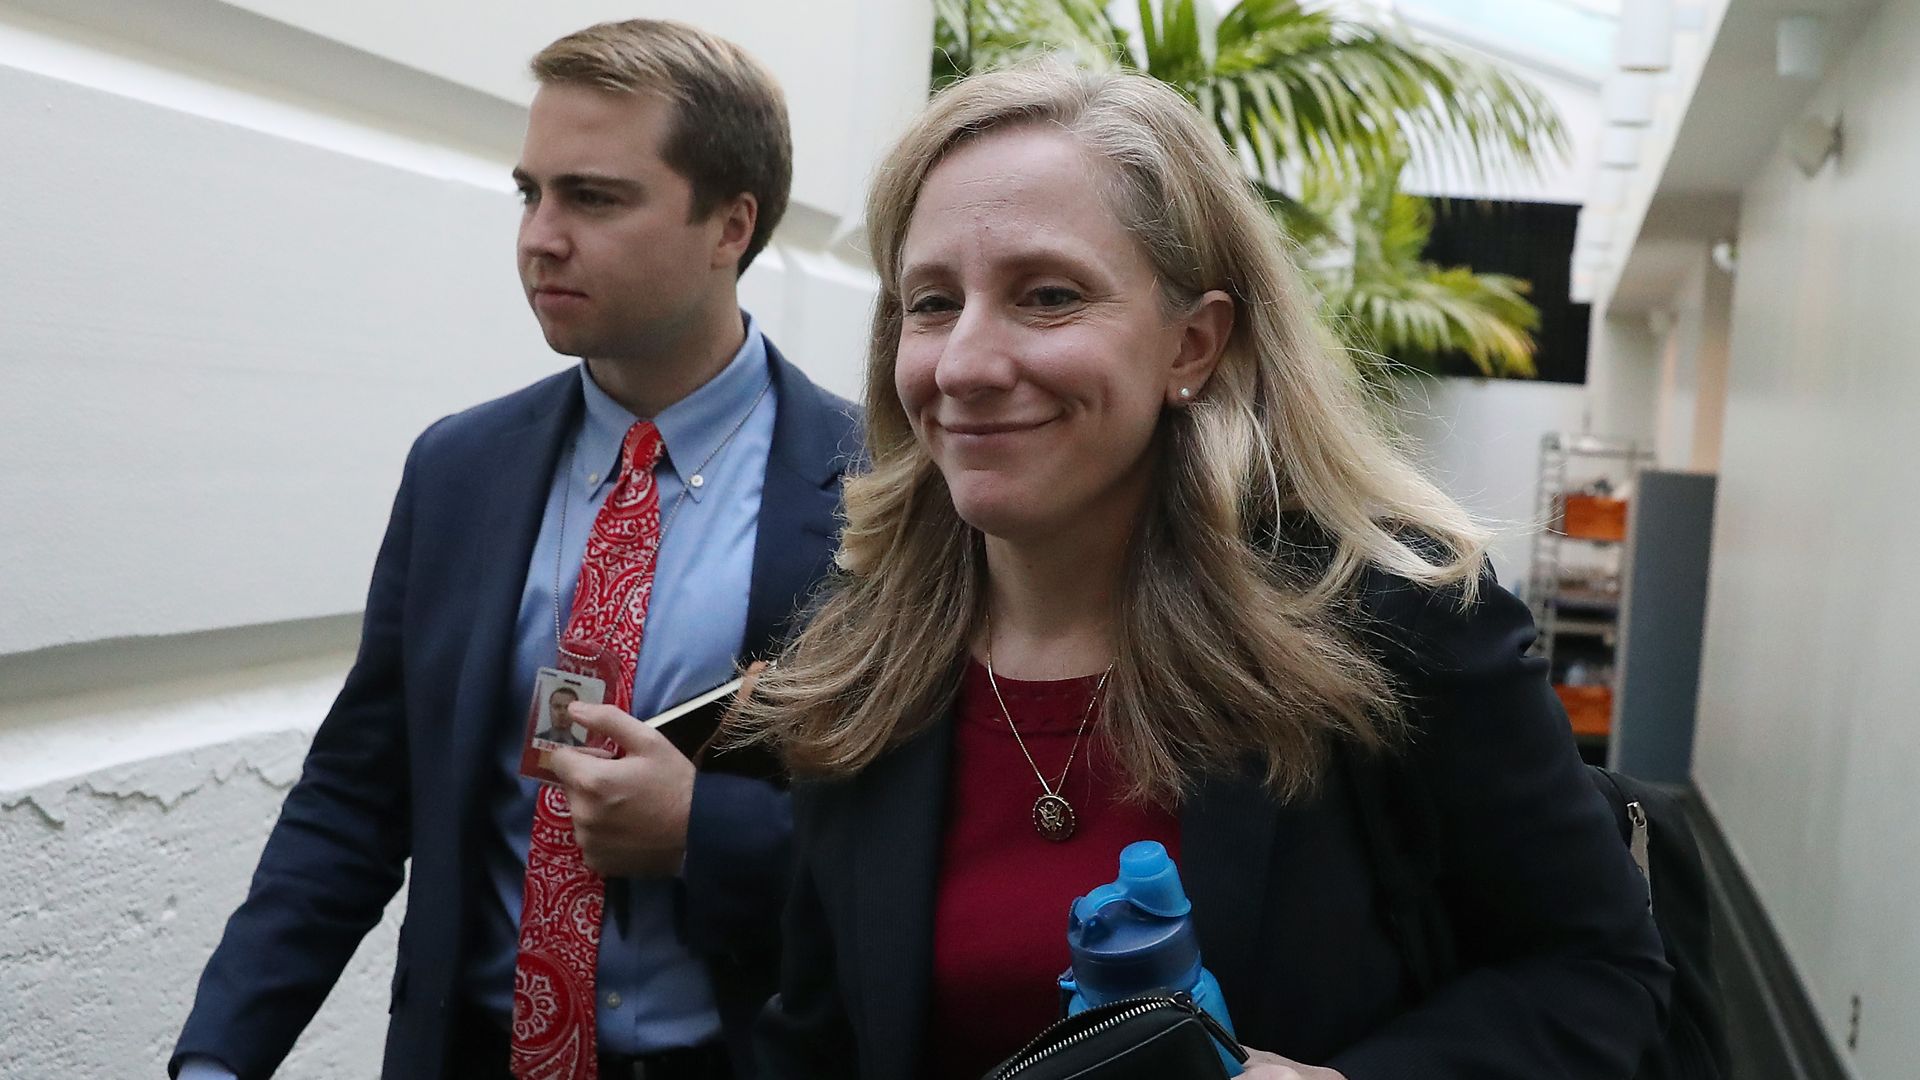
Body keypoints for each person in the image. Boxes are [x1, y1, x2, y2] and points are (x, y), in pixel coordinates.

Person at [743, 63, 1671, 1080]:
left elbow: (1599, 973)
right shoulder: (862, 654)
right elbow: (817, 1035)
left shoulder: (1392, 623)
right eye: (931, 302)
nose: (963, 363)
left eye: (1046, 296)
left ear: (1193, 343)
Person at [172, 19, 858, 1080]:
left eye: (593, 198)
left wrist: (700, 831)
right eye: (528, 193)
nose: (540, 236)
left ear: (731, 224)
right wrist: (218, 1057)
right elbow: (358, 796)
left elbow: (929, 845)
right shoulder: (458, 471)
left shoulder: (879, 492)